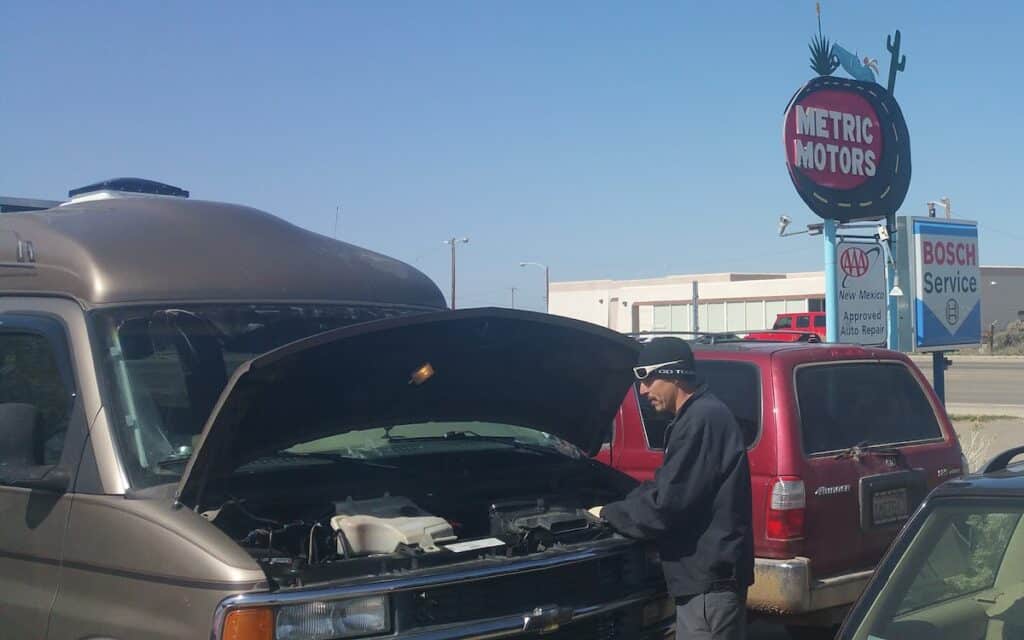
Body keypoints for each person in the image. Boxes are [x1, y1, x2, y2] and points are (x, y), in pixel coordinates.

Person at [593, 337, 754, 640]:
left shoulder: (702, 420)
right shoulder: (699, 417)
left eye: (647, 378)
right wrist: (629, 499)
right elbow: (671, 484)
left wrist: (609, 513)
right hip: (704, 582)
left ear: (673, 374)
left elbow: (667, 504)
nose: (642, 390)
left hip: (709, 587)